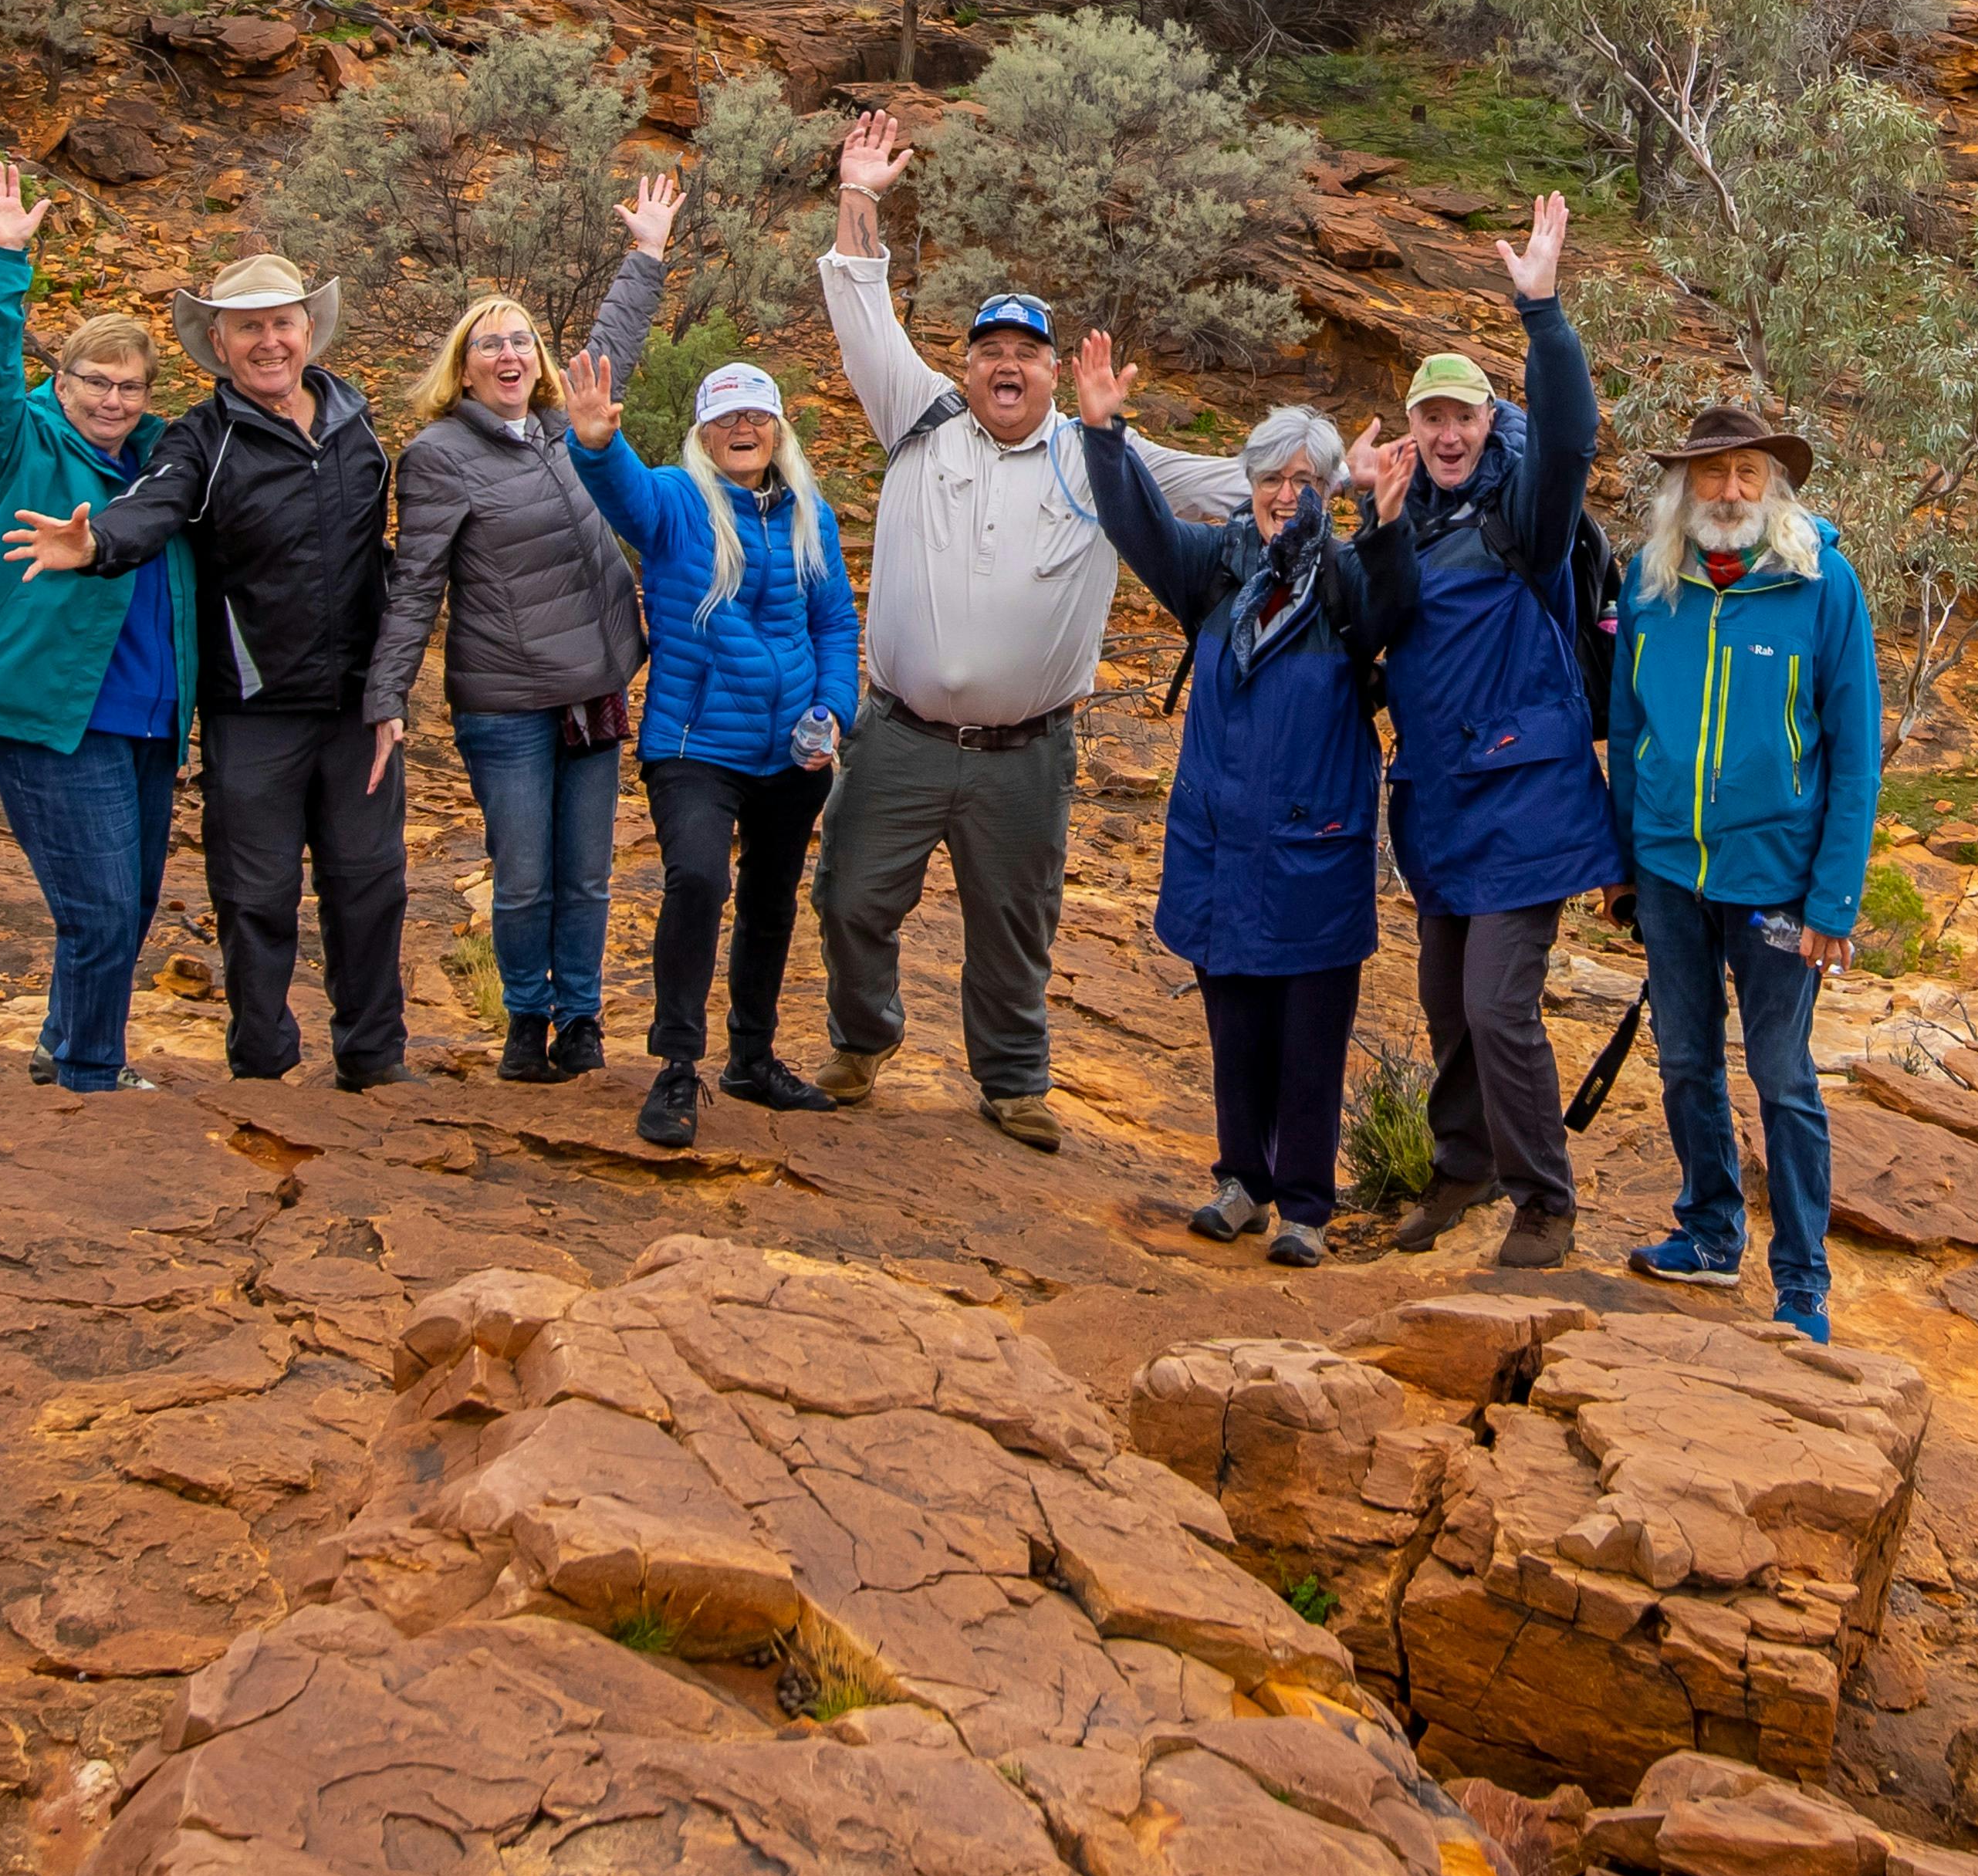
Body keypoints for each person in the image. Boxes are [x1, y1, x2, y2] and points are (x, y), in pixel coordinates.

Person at [809, 107, 1250, 1150]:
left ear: (1054, 371)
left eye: (1027, 352)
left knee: (1014, 931)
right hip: (898, 738)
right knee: (848, 898)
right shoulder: (914, 419)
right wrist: (859, 192)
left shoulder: (1095, 455)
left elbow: (1233, 485)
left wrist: (1334, 475)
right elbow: (860, 307)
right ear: (964, 367)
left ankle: (1010, 1083)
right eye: (989, 350)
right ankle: (862, 1040)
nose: (1006, 365)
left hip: (1024, 753)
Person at [7, 252, 409, 1091]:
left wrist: (392, 685)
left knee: (369, 887)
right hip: (253, 709)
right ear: (220, 344)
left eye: (282, 322)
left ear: (308, 331)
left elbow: (381, 560)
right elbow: (152, 507)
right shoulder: (201, 438)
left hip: (357, 709)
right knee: (256, 897)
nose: (269, 341)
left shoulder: (356, 424)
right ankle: (262, 1064)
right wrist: (96, 546)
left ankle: (373, 1060)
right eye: (248, 327)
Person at [1078, 339, 1419, 1266]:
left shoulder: (1346, 577)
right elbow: (1138, 528)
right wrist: (1104, 436)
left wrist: (1382, 522)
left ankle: (1306, 1205)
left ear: (1327, 492)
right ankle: (1241, 1182)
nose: (1284, 494)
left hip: (1316, 844)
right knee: (1234, 1022)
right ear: (1250, 483)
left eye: (1306, 479)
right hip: (1224, 841)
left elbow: (1394, 612)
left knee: (1312, 1034)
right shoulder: (1216, 570)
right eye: (1271, 477)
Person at [551, 201, 860, 1150]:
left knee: (770, 899)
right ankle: (677, 1067)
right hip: (694, 746)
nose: (744, 427)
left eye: (757, 414)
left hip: (790, 749)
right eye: (726, 415)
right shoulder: (679, 502)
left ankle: (752, 1056)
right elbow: (620, 495)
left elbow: (836, 624)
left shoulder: (810, 514)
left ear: (776, 430)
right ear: (703, 429)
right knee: (696, 883)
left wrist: (832, 713)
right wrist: (596, 444)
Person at [0, 160, 192, 1095]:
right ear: (60, 382)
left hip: (150, 718)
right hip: (53, 715)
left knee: (131, 905)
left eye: (132, 387)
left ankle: (65, 1042)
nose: (112, 401)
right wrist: (2, 261)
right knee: (99, 909)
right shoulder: (15, 444)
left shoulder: (161, 468)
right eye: (95, 382)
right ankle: (91, 1075)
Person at [1372, 190, 1615, 1273]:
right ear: (1412, 433)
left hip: (1526, 802)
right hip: (1437, 806)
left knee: (1495, 1002)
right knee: (1444, 1001)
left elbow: (1568, 439)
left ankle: (1543, 1199)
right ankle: (1460, 1167)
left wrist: (1542, 315)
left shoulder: (1526, 517)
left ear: (1485, 425)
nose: (1446, 433)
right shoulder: (1407, 531)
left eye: (1462, 416)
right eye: (1429, 419)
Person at [1607, 398, 1882, 1344]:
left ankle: (1802, 1280)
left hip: (1776, 882)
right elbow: (1628, 731)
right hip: (1670, 871)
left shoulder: (1822, 586)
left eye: (1747, 474)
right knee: (1685, 1061)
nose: (1728, 491)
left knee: (1780, 1075)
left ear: (1774, 488)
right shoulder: (1651, 587)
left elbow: (1854, 758)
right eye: (1712, 474)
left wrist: (1832, 899)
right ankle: (1711, 1232)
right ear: (1683, 489)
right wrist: (1622, 867)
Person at [360, 243, 650, 1088]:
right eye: (488, 344)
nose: (509, 353)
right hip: (507, 703)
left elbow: (616, 339)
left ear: (539, 360)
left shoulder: (569, 429)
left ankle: (582, 1018)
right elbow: (414, 587)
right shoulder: (439, 456)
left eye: (520, 339)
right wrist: (389, 696)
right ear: (464, 369)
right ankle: (527, 1018)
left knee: (587, 875)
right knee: (524, 877)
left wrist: (645, 255)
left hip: (592, 689)